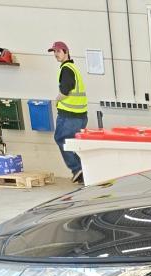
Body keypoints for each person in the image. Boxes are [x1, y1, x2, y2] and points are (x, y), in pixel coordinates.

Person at [49, 41, 88, 183]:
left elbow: (65, 90)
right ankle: (84, 171)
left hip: (69, 115)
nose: (56, 54)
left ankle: (78, 169)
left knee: (61, 139)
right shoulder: (73, 67)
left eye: (58, 51)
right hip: (80, 115)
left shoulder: (66, 69)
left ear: (66, 52)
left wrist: (57, 99)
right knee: (73, 143)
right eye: (54, 52)